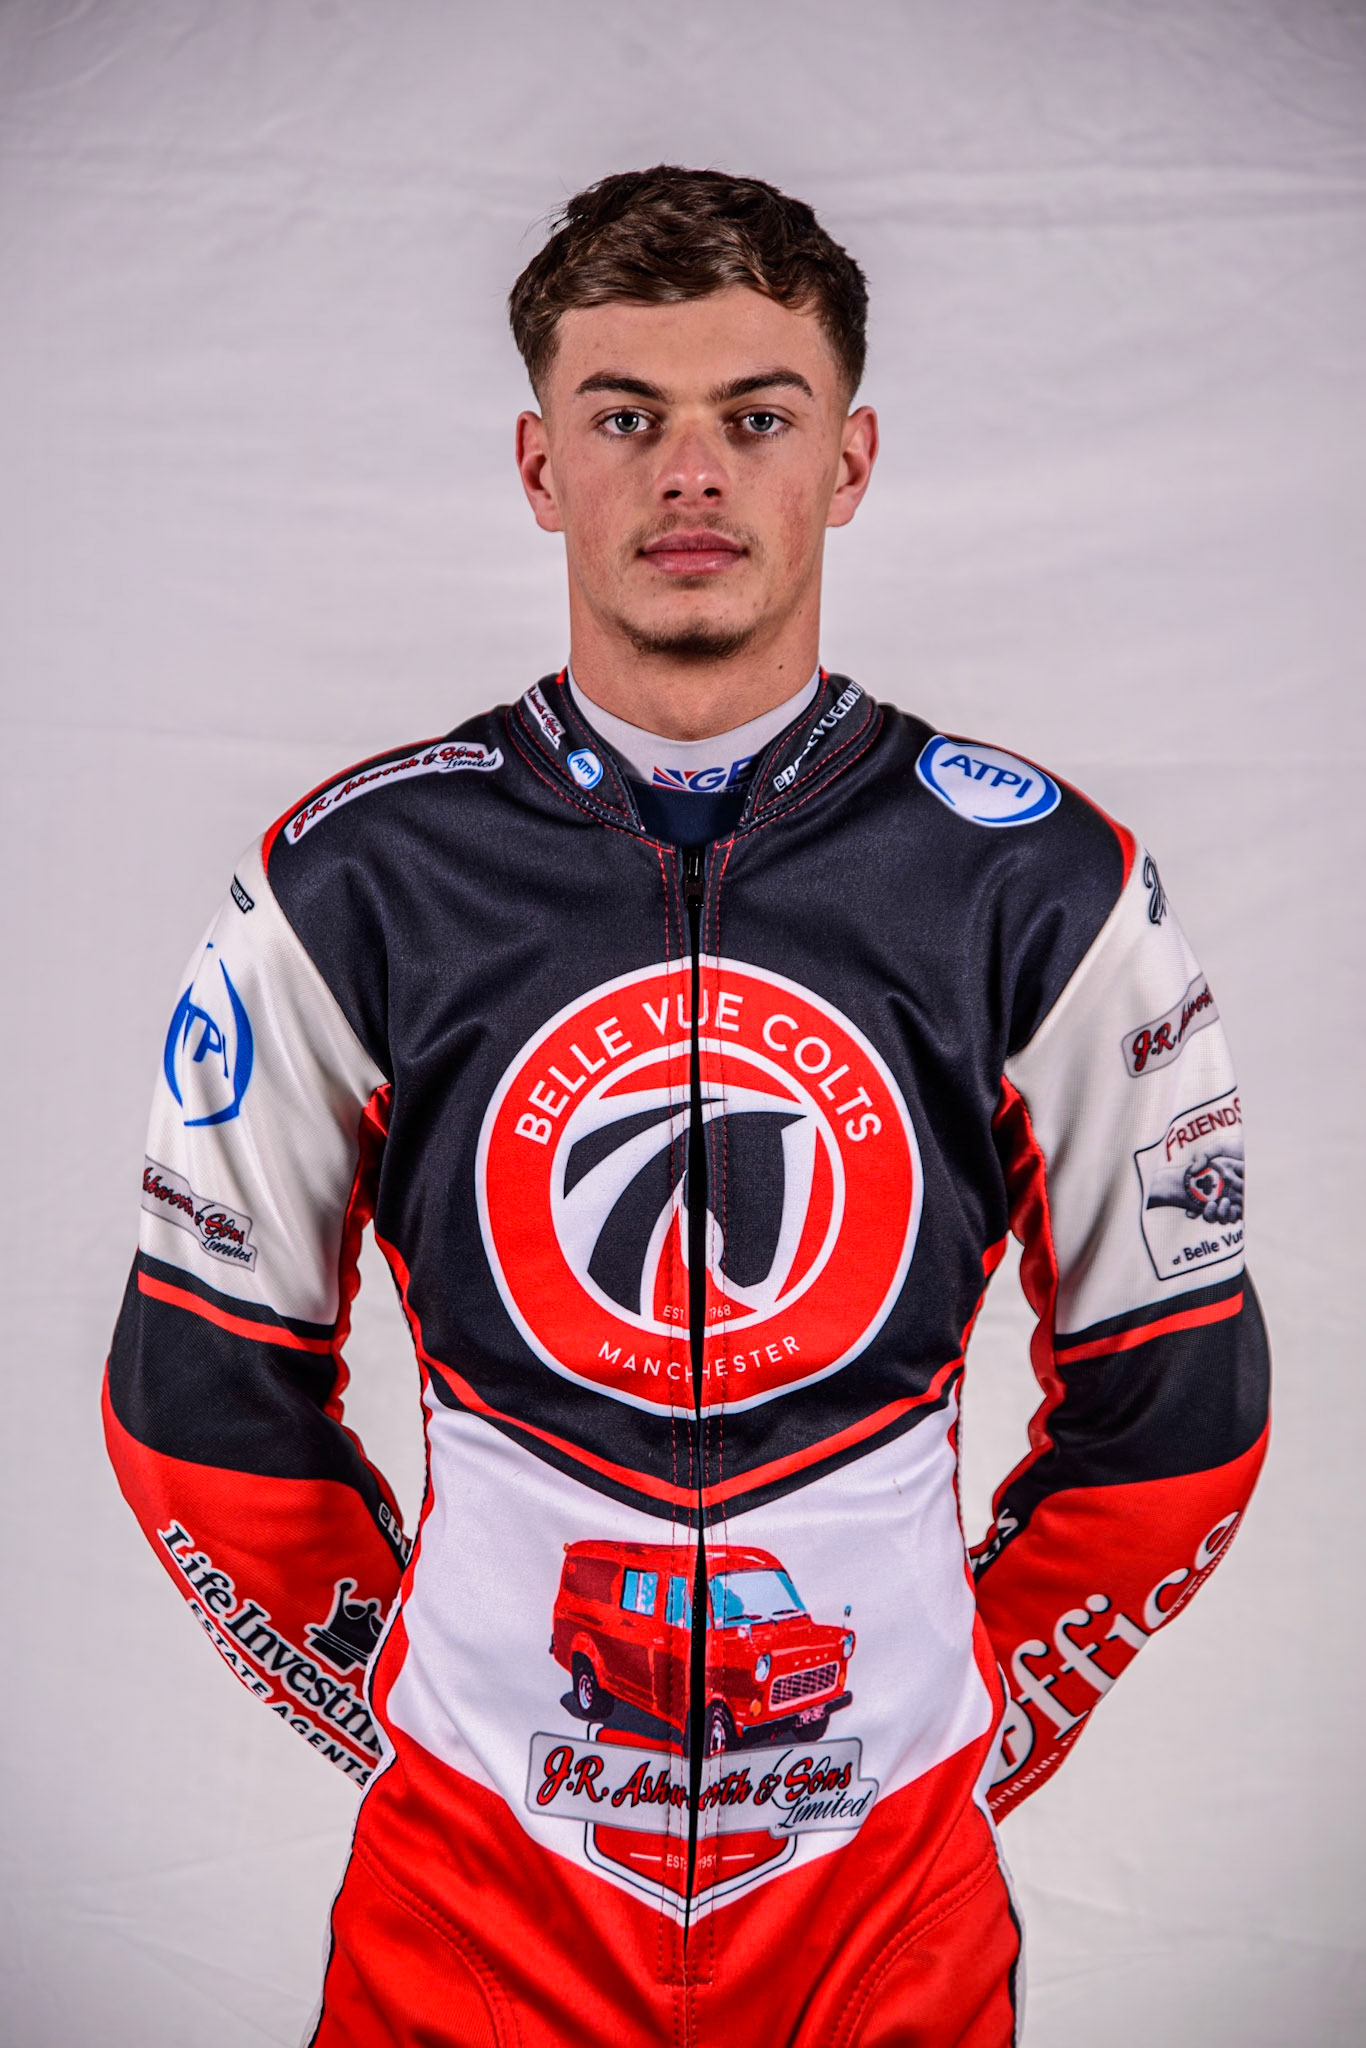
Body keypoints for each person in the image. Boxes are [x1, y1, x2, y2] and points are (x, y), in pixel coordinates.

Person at [104, 167, 1269, 2048]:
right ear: (537, 462)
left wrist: (962, 1722)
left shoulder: (1045, 886)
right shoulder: (354, 878)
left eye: (758, 415)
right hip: (469, 1904)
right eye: (625, 417)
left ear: (853, 457)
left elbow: (1182, 1410)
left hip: (885, 1904)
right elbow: (195, 1396)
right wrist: (412, 1709)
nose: (692, 475)